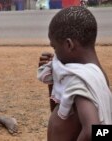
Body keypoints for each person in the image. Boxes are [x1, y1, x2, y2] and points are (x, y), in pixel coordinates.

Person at [37, 6, 112, 141]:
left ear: (68, 45)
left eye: (55, 47)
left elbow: (92, 131)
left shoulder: (80, 81)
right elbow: (61, 111)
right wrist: (53, 80)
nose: (55, 54)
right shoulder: (95, 75)